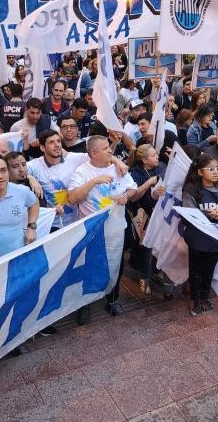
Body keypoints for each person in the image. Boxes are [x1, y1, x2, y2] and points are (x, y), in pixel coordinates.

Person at [68, 135, 138, 320]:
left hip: (115, 229)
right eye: (105, 148)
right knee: (89, 266)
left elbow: (133, 188)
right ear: (92, 152)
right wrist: (94, 181)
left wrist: (126, 196)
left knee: (116, 262)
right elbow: (72, 198)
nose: (110, 150)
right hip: (93, 232)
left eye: (109, 147)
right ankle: (84, 305)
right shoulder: (82, 172)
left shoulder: (117, 167)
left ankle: (112, 299)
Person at [180, 153, 218, 315]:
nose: (215, 172)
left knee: (209, 269)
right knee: (196, 270)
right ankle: (195, 300)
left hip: (216, 236)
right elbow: (189, 213)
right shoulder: (191, 189)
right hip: (197, 237)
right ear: (200, 172)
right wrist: (209, 215)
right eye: (210, 169)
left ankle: (205, 297)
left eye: (217, 168)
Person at [28, 129, 90, 231]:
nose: (57, 145)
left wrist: (116, 161)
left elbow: (97, 156)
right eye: (51, 142)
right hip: (52, 225)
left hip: (76, 222)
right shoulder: (36, 165)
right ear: (43, 148)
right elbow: (16, 169)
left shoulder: (72, 158)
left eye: (58, 141)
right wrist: (30, 177)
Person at [127, 144, 166, 295]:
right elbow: (134, 196)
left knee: (161, 243)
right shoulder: (135, 173)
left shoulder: (160, 168)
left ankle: (156, 271)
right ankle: (144, 277)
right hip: (143, 214)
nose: (157, 157)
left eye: (156, 154)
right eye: (153, 155)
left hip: (160, 212)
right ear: (144, 160)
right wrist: (149, 183)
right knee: (146, 246)